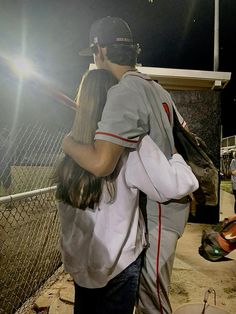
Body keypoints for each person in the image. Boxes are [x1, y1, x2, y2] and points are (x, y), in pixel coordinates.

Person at [62, 17, 196, 314]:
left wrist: (69, 143)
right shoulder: (155, 87)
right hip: (164, 202)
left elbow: (100, 163)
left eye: (94, 53)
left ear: (101, 50)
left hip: (159, 207)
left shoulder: (123, 92)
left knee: (153, 304)